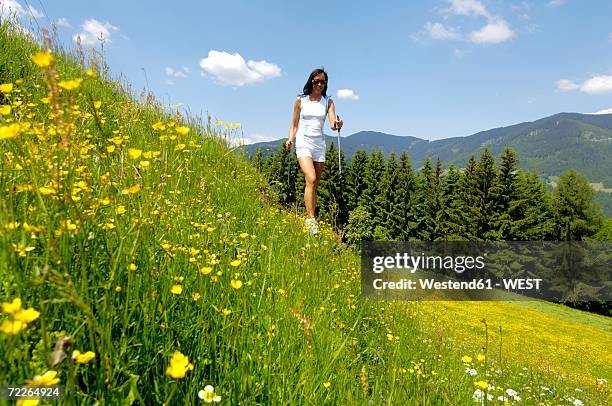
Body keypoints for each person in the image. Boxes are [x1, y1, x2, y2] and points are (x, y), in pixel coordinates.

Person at [285, 68, 343, 235]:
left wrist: (338, 124)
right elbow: (294, 125)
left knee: (314, 183)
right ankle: (311, 221)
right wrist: (290, 139)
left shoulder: (328, 101)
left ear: (325, 84)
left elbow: (332, 124)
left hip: (319, 145)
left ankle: (311, 215)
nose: (319, 84)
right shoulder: (300, 100)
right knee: (310, 178)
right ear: (311, 81)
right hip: (303, 143)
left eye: (322, 82)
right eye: (316, 81)